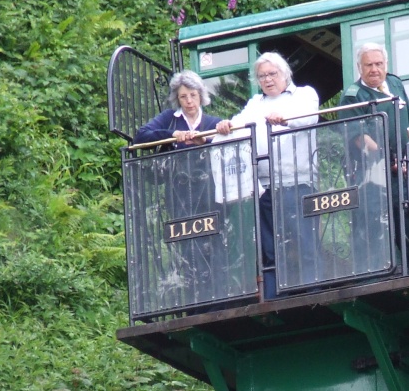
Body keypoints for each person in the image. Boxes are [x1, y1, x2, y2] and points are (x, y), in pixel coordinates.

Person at [214, 52, 321, 295]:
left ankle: (314, 292)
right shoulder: (255, 103)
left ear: (285, 74)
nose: (267, 79)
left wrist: (285, 119)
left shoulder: (304, 94)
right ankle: (273, 296)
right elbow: (237, 125)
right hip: (264, 185)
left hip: (298, 181)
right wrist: (225, 126)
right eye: (262, 76)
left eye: (272, 74)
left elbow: (310, 117)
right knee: (269, 246)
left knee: (304, 240)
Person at [337, 42, 409, 278]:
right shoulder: (353, 97)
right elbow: (359, 137)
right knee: (377, 229)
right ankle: (376, 279)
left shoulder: (394, 83)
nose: (374, 69)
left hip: (405, 173)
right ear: (359, 67)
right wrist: (387, 157)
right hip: (374, 177)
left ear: (386, 64)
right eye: (369, 65)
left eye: (379, 64)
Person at [131, 71, 224, 303]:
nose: (189, 101)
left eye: (193, 95)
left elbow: (227, 144)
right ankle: (194, 299)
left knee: (213, 239)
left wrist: (207, 140)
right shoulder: (169, 119)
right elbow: (140, 137)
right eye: (184, 97)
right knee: (185, 243)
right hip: (179, 193)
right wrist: (173, 135)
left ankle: (217, 295)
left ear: (201, 95)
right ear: (177, 99)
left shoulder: (212, 122)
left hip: (209, 193)